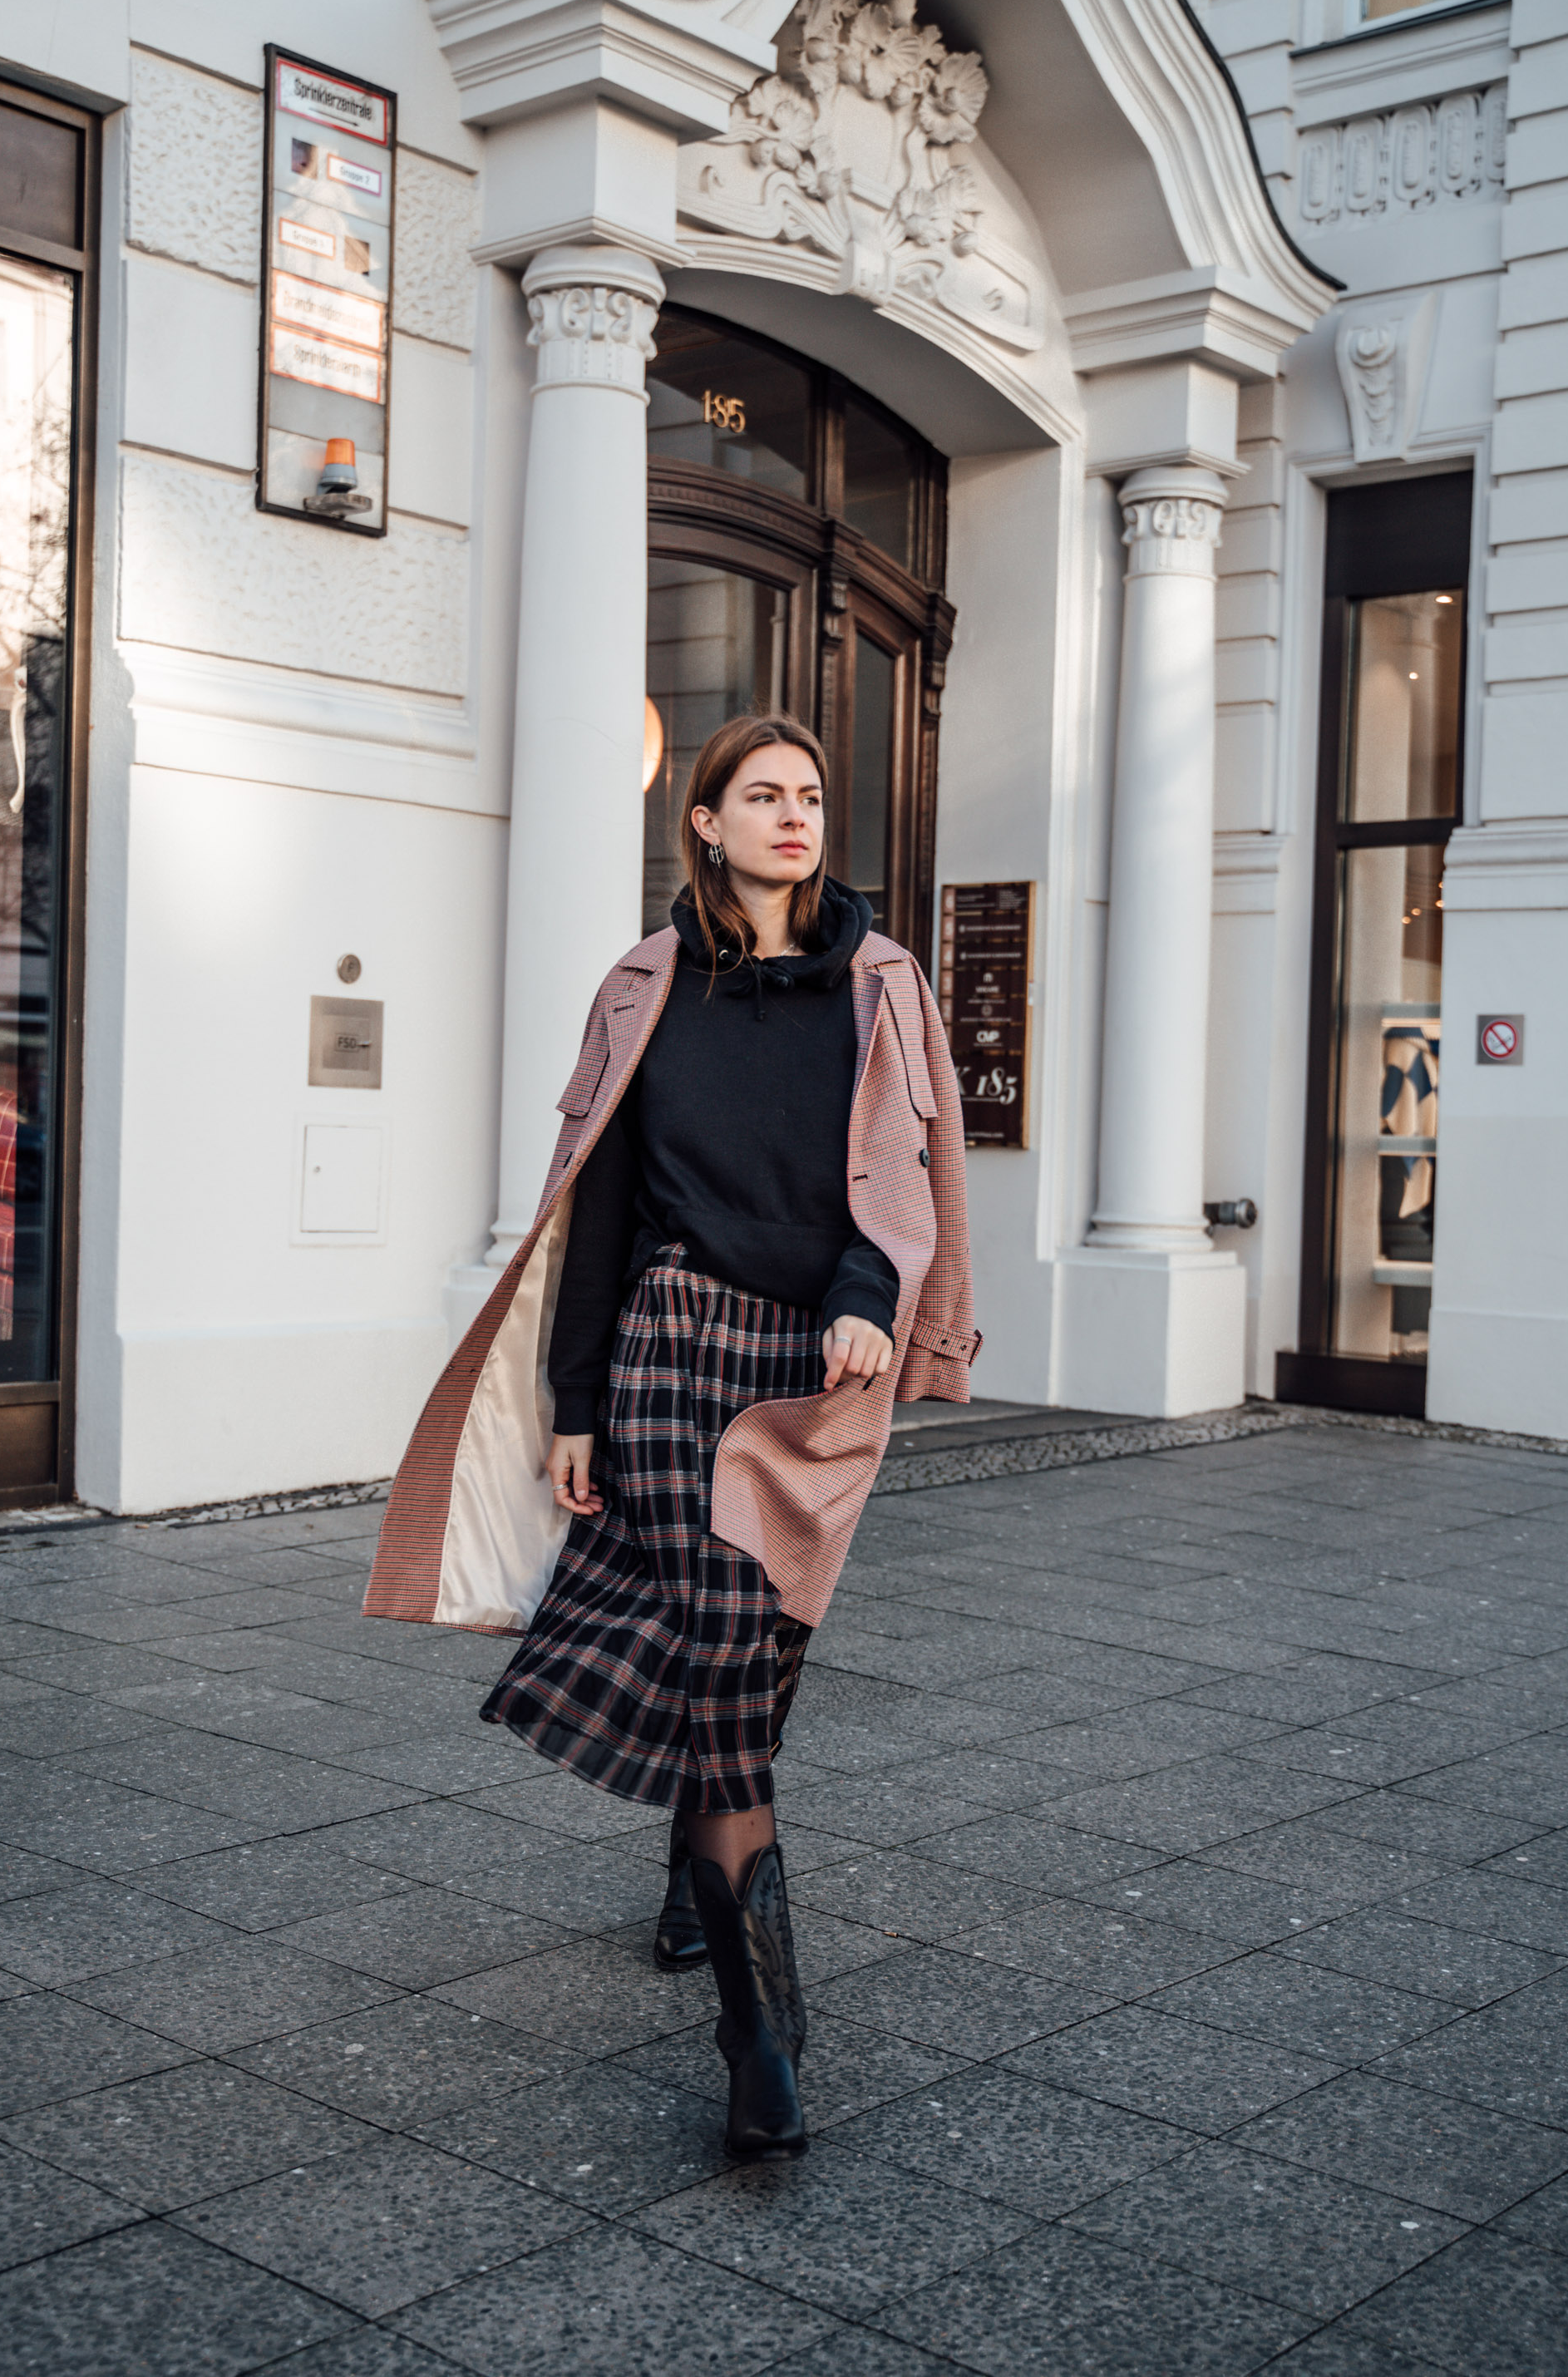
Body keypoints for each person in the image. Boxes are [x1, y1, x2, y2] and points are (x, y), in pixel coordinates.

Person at [363, 712, 977, 2158]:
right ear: (703, 821)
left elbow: (905, 1183)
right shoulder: (647, 985)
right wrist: (576, 1400)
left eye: (811, 796)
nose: (792, 817)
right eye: (760, 795)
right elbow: (601, 1201)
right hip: (668, 1348)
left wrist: (865, 1300)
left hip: (817, 1365)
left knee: (760, 1652)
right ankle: (760, 2035)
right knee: (719, 1653)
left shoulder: (879, 986)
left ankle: (691, 1871)